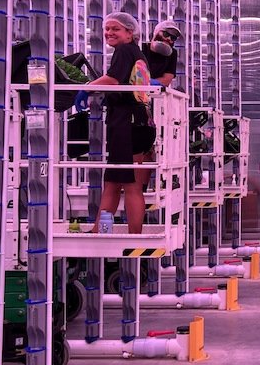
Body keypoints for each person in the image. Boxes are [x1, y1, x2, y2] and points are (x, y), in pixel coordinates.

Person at [74, 12, 151, 234]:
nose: (109, 33)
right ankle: (100, 229)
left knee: (131, 186)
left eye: (115, 29)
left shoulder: (125, 51)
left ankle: (134, 235)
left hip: (128, 126)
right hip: (134, 124)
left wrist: (86, 88)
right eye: (106, 29)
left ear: (130, 33)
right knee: (113, 183)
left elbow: (113, 79)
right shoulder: (135, 52)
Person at [134, 20, 180, 190]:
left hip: (157, 102)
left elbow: (167, 79)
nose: (169, 39)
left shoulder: (171, 54)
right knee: (138, 144)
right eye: (166, 34)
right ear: (157, 32)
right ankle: (134, 185)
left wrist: (150, 83)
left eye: (173, 37)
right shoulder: (141, 49)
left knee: (151, 145)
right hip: (138, 101)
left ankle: (141, 187)